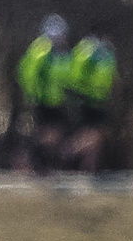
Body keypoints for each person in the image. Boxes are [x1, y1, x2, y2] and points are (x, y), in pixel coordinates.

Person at [15, 15, 69, 174]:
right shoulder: (43, 49)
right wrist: (32, 92)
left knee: (52, 134)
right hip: (45, 99)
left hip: (55, 99)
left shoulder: (56, 51)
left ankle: (38, 164)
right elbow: (28, 73)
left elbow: (62, 74)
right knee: (48, 134)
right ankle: (29, 161)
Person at [60, 31, 116, 175]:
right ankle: (67, 151)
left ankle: (90, 168)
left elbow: (109, 75)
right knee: (93, 134)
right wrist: (83, 90)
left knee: (98, 137)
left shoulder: (107, 52)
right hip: (88, 99)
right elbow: (77, 73)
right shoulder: (88, 49)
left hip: (100, 98)